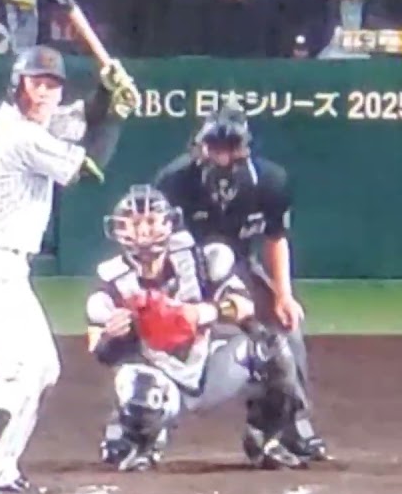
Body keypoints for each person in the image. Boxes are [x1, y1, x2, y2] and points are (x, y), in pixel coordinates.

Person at [0, 46, 140, 494]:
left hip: (7, 267)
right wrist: (117, 117)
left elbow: (82, 118)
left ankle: (0, 466)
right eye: (36, 83)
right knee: (20, 370)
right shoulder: (19, 135)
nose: (44, 92)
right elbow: (89, 169)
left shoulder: (39, 123)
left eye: (51, 84)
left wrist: (108, 93)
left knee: (44, 367)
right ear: (18, 85)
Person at [150, 105, 330, 465]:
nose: (222, 156)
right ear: (200, 145)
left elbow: (275, 238)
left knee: (287, 329)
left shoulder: (270, 181)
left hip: (240, 267)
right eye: (215, 146)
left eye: (231, 147)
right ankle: (139, 424)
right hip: (184, 269)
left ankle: (291, 423)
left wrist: (283, 295)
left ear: (246, 147)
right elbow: (156, 242)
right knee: (157, 330)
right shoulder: (174, 181)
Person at [89, 184, 309, 471]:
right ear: (118, 229)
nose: (143, 233)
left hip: (207, 365)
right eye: (134, 224)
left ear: (169, 223)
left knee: (272, 349)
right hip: (157, 372)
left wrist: (202, 313)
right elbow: (100, 351)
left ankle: (264, 438)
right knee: (138, 388)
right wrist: (113, 335)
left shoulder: (202, 259)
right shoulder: (112, 282)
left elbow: (244, 307)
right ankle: (138, 440)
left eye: (151, 222)